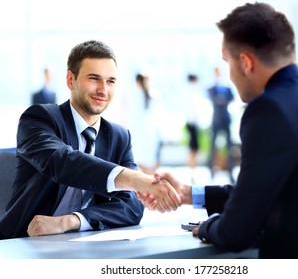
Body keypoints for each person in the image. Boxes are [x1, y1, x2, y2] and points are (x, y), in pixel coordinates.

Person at [140, 2, 298, 258]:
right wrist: (188, 194)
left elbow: (235, 232)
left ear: (246, 63)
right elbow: (258, 191)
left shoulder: (269, 110)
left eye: (227, 62)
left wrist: (207, 227)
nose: (229, 75)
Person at [0, 40, 180, 240]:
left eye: (110, 81)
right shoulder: (40, 118)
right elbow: (62, 162)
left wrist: (72, 220)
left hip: (78, 243)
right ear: (71, 80)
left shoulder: (119, 137)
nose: (103, 90)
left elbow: (132, 206)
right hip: (22, 243)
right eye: (94, 78)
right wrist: (137, 180)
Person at [125, 72, 162, 175]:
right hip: (144, 132)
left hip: (145, 133)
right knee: (145, 160)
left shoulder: (147, 94)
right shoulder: (144, 94)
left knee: (142, 160)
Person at [207, 67, 235, 183]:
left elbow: (231, 98)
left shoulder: (227, 88)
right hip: (216, 120)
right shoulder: (211, 88)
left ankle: (231, 172)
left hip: (226, 119)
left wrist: (222, 100)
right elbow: (212, 98)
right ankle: (211, 172)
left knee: (230, 146)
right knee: (212, 147)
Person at [183, 74, 202, 182]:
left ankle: (192, 172)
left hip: (192, 124)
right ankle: (192, 172)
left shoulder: (190, 92)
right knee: (193, 149)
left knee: (193, 149)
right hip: (192, 124)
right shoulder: (191, 92)